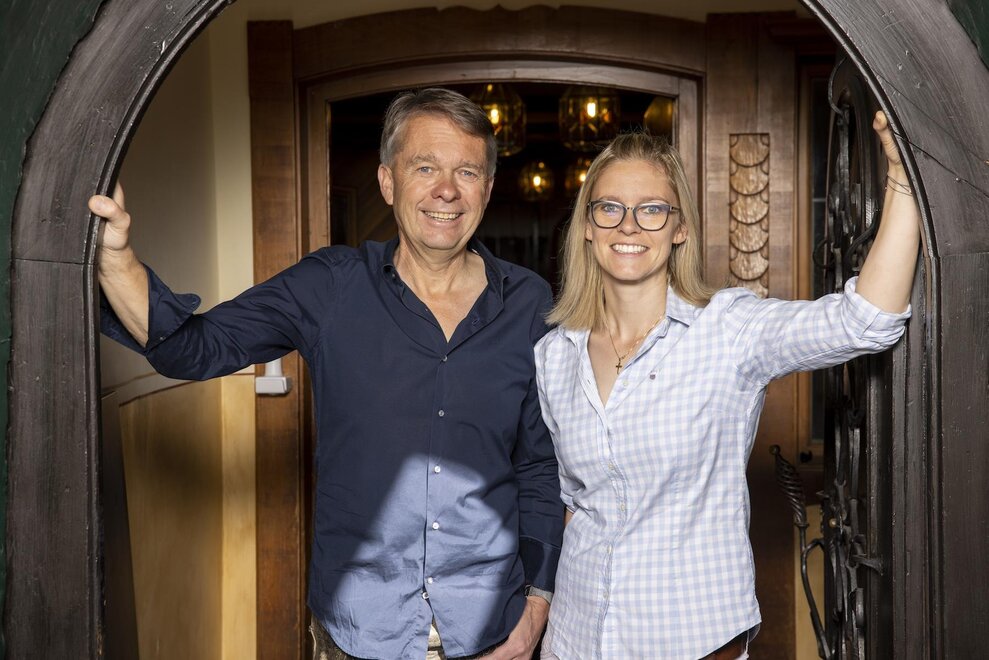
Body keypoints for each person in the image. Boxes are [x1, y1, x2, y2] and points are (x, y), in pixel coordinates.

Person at [92, 88, 563, 660]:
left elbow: (539, 466)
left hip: (493, 629)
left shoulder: (528, 302)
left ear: (487, 189)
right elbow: (190, 349)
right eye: (425, 167)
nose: (447, 190)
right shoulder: (329, 286)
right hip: (358, 633)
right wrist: (115, 256)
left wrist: (537, 605)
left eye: (467, 172)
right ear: (387, 182)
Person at [534, 112, 919, 659]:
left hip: (691, 640)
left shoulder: (727, 329)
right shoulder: (555, 354)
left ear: (680, 228)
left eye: (652, 210)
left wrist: (902, 178)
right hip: (576, 640)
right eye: (610, 208)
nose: (629, 226)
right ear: (588, 226)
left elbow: (866, 321)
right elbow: (573, 501)